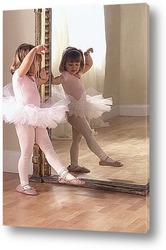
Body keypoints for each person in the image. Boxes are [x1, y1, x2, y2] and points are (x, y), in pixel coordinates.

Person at [3, 43, 85, 196]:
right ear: (25, 60)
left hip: (37, 116)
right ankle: (24, 184)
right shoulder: (18, 76)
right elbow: (25, 65)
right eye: (36, 61)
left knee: (48, 148)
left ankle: (64, 174)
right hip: (24, 118)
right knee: (26, 152)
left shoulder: (31, 78)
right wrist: (34, 50)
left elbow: (33, 88)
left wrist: (42, 80)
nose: (37, 63)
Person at [52, 46, 123, 173]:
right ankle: (103, 158)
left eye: (76, 64)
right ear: (65, 64)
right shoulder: (66, 75)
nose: (73, 67)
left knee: (77, 139)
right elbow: (56, 81)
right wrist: (49, 76)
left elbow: (89, 64)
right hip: (73, 109)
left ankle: (74, 165)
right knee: (89, 133)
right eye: (70, 64)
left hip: (83, 107)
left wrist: (87, 55)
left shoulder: (79, 73)